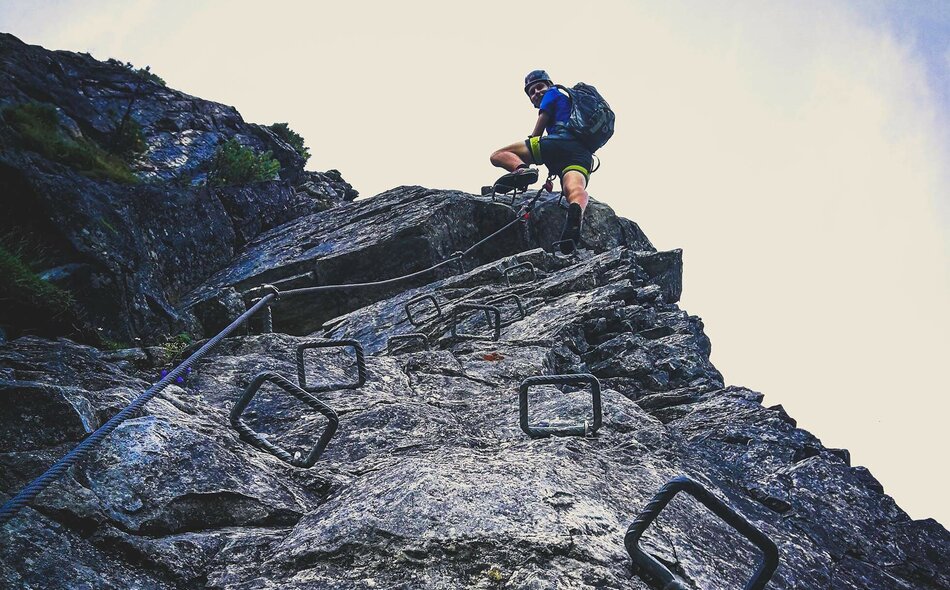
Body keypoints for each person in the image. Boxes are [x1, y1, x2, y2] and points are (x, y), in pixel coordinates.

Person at [490, 69, 593, 253]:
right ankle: (577, 211)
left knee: (498, 155)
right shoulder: (569, 104)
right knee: (574, 188)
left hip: (558, 141)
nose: (537, 92)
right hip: (582, 154)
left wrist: (532, 148)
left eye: (540, 87)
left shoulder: (553, 93)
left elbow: (541, 122)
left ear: (549, 85)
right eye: (532, 91)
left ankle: (520, 171)